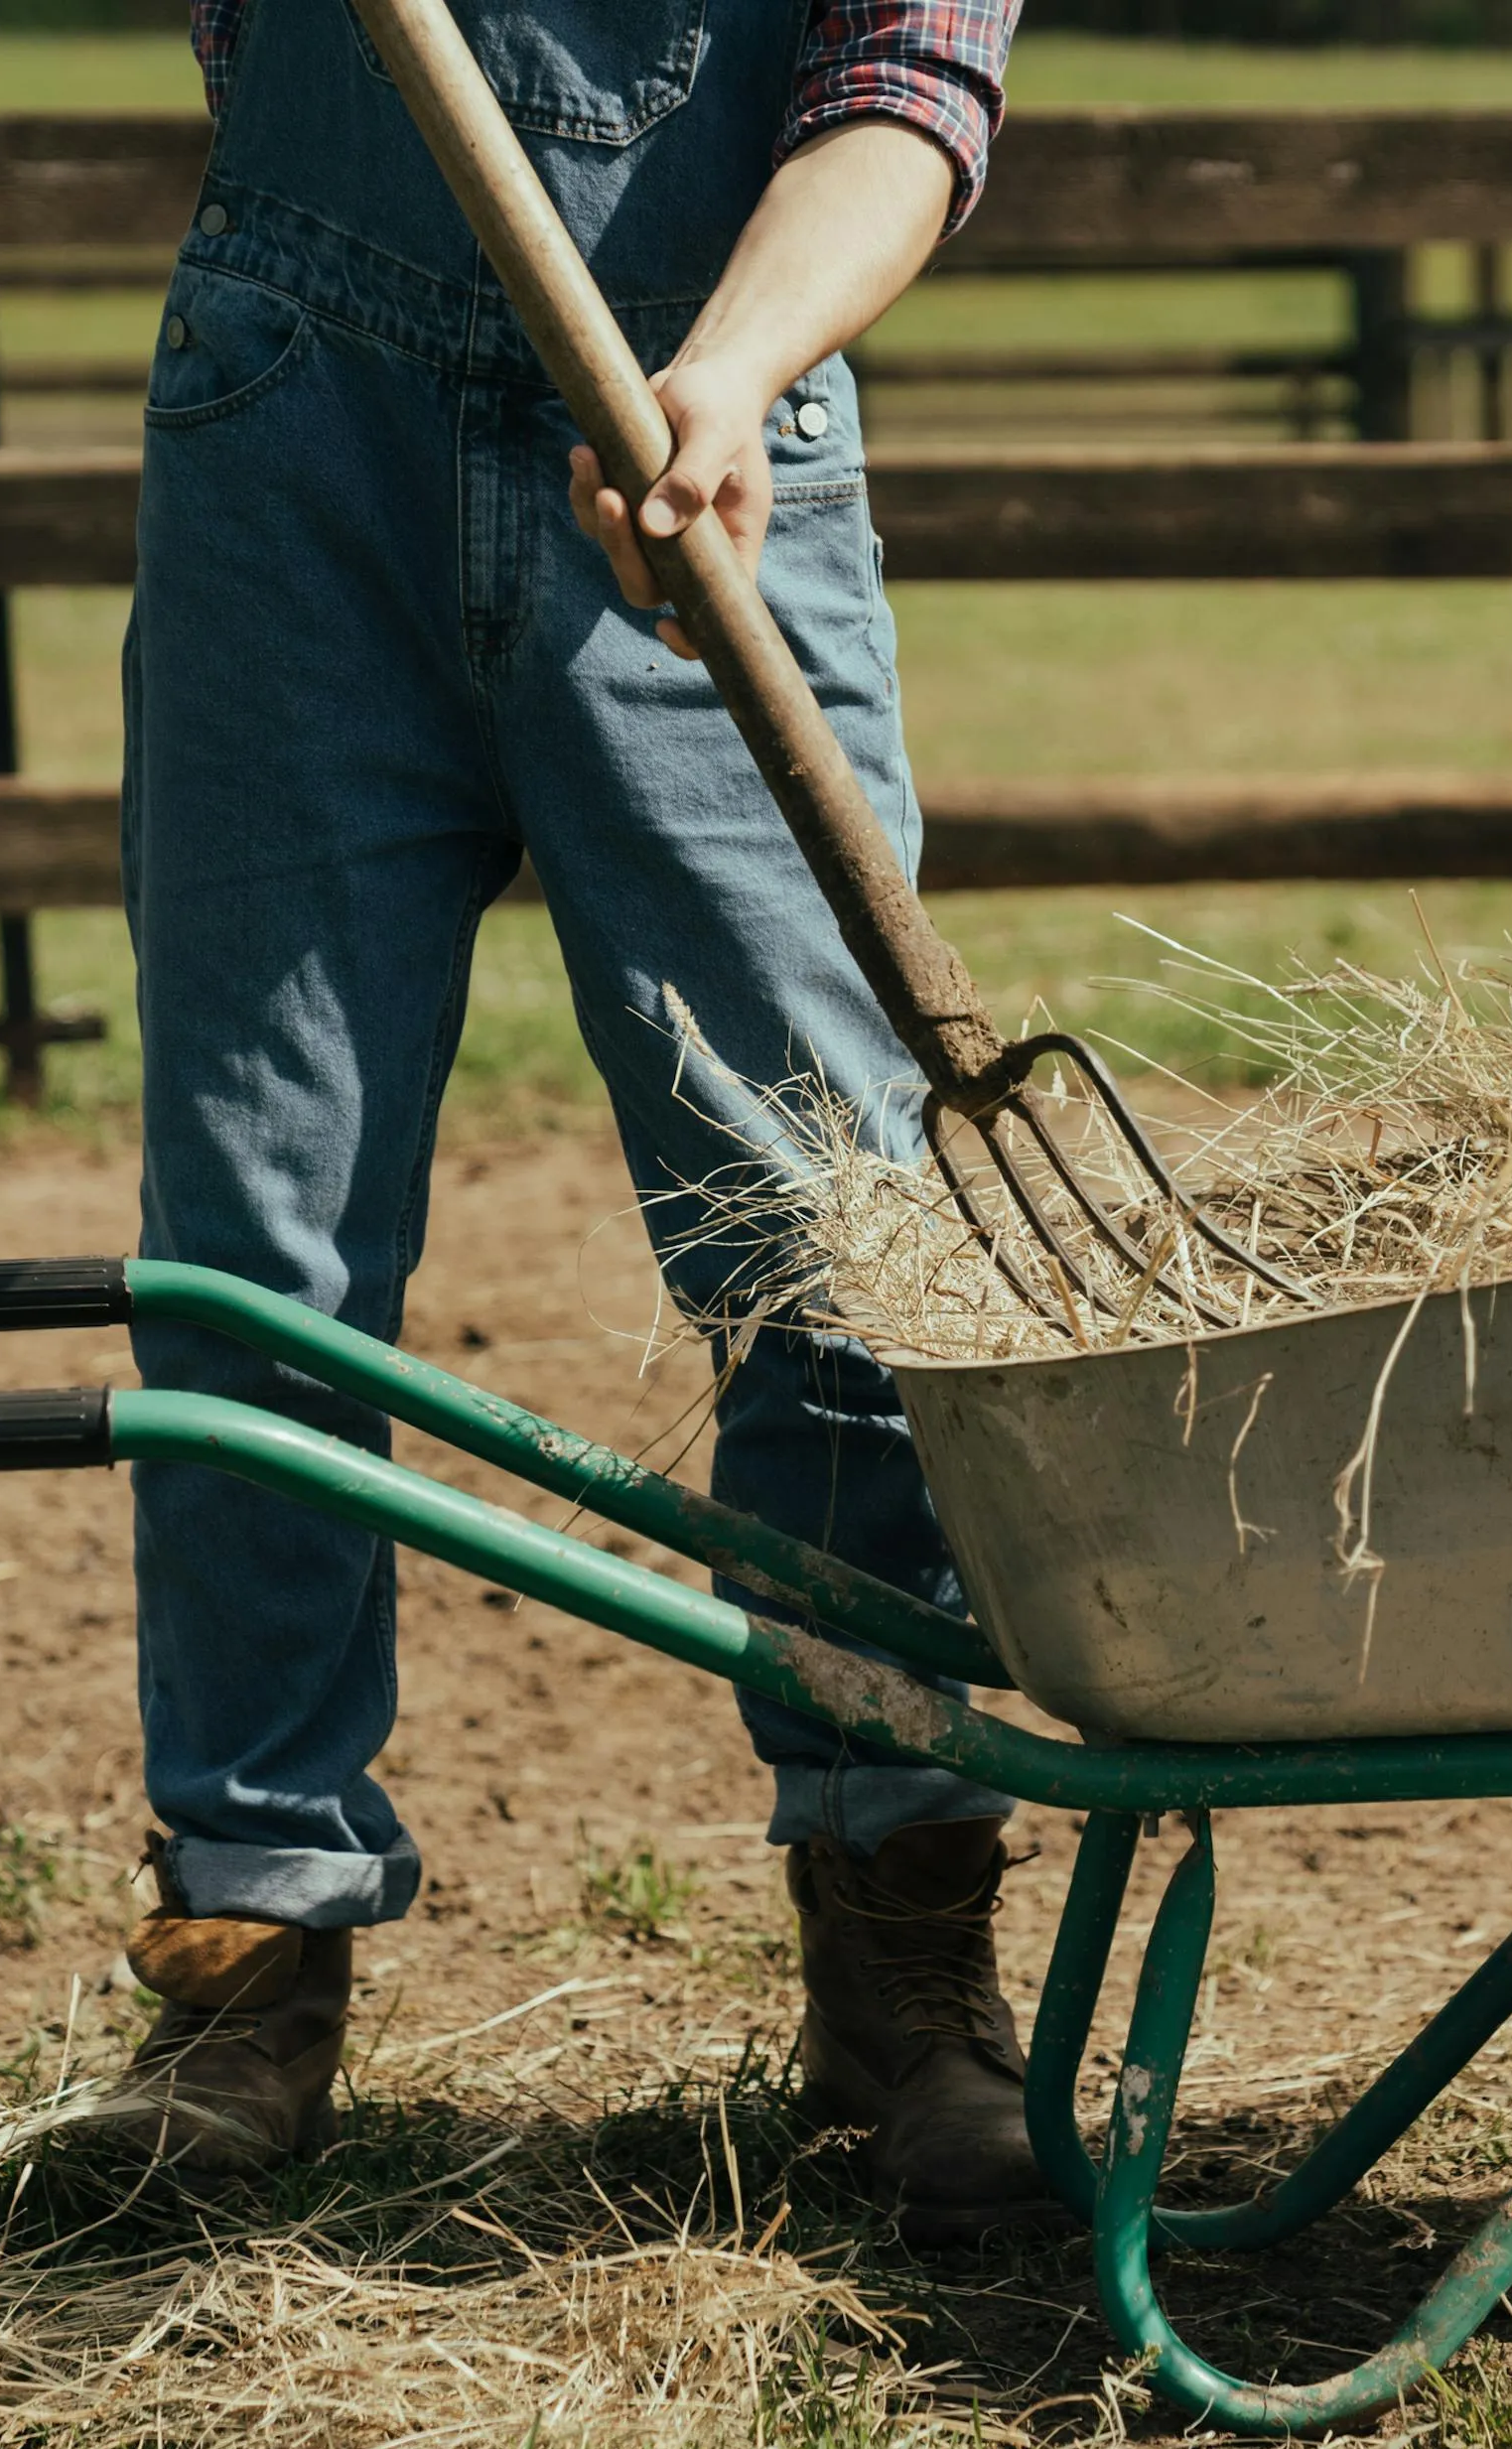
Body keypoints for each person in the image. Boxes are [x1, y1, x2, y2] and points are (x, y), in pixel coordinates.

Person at [85, 0, 1048, 2241]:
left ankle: (899, 1938)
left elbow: (910, 92)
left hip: (708, 438)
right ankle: (248, 1945)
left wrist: (729, 366)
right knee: (258, 1250)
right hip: (293, 445)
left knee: (830, 1232)